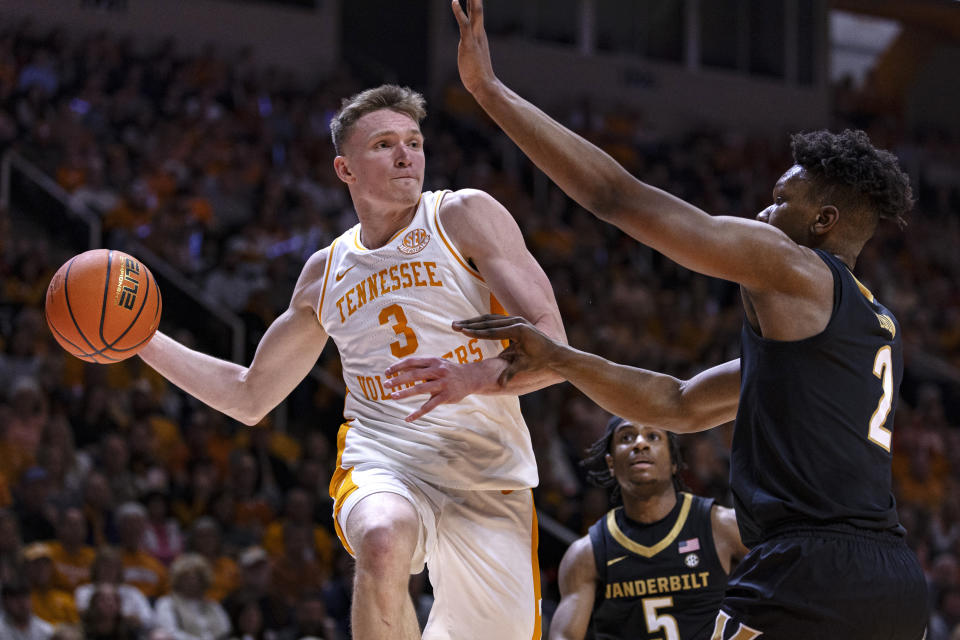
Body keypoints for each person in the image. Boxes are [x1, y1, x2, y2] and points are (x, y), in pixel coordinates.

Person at [387, 2, 929, 638]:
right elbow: (678, 405)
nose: (762, 211)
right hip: (894, 581)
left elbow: (617, 198)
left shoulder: (794, 267)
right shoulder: (865, 323)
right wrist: (563, 360)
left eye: (781, 200)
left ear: (823, 222)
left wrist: (489, 90)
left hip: (808, 569)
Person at [138, 83, 566, 640]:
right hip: (385, 456)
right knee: (383, 539)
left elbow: (556, 347)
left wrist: (472, 377)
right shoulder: (326, 272)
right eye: (384, 144)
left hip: (486, 471)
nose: (405, 155)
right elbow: (248, 396)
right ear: (345, 170)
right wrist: (142, 341)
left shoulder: (462, 215)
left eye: (413, 141)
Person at [549, 416, 747, 640]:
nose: (640, 444)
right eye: (626, 437)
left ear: (674, 461)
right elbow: (563, 636)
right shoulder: (586, 553)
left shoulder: (722, 526)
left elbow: (784, 585)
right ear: (611, 463)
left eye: (653, 436)